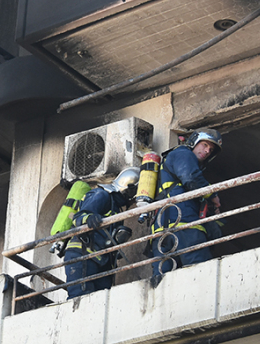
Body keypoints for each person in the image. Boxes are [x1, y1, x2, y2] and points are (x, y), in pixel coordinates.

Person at [150, 128, 223, 287]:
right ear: (194, 142)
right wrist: (213, 195)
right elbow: (190, 178)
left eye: (210, 150)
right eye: (205, 145)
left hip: (162, 230)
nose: (207, 151)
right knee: (201, 274)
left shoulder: (174, 160)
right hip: (184, 226)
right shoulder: (183, 153)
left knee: (162, 283)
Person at [63, 167, 139, 299]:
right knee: (80, 298)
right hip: (82, 255)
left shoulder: (116, 209)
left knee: (101, 300)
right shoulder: (101, 194)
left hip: (102, 260)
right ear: (129, 188)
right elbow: (78, 217)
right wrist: (89, 218)